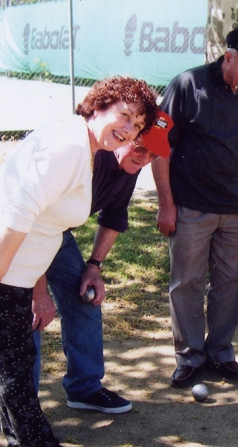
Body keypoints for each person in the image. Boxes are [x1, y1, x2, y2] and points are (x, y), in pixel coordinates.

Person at [0, 76, 158, 447]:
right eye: (124, 116)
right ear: (99, 106)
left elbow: (51, 222)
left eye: (137, 125)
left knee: (10, 358)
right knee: (16, 362)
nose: (129, 130)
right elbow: (18, 212)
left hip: (4, 261)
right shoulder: (70, 148)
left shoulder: (83, 142)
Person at [152, 28, 238, 388]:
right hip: (191, 206)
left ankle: (221, 352)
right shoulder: (186, 84)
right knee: (186, 282)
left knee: (235, 282)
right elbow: (158, 144)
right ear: (228, 58)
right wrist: (166, 204)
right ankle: (190, 357)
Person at [30, 111, 172, 415]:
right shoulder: (89, 158)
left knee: (84, 299)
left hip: (55, 232)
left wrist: (94, 266)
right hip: (21, 235)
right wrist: (38, 292)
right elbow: (33, 224)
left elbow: (114, 216)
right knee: (29, 315)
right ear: (126, 136)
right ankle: (24, 410)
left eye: (153, 154)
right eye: (141, 148)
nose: (145, 159)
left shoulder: (130, 167)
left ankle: (85, 388)